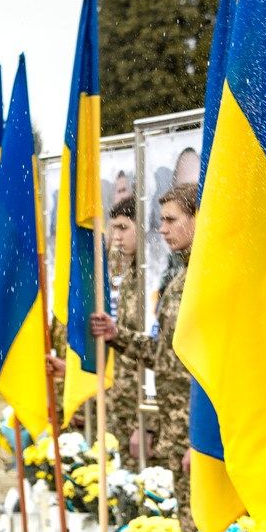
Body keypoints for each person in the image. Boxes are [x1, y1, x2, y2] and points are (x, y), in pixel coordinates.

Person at [93, 183, 197, 531]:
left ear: (199, 219)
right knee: (185, 528)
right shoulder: (182, 278)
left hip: (195, 431)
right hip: (176, 428)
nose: (163, 229)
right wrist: (116, 335)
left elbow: (221, 370)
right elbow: (165, 355)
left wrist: (202, 438)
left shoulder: (207, 279)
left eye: (171, 219)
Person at [103, 198, 145, 466]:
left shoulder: (151, 279)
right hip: (122, 401)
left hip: (145, 408)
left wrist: (148, 423)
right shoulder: (127, 275)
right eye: (114, 229)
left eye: (123, 228)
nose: (116, 237)